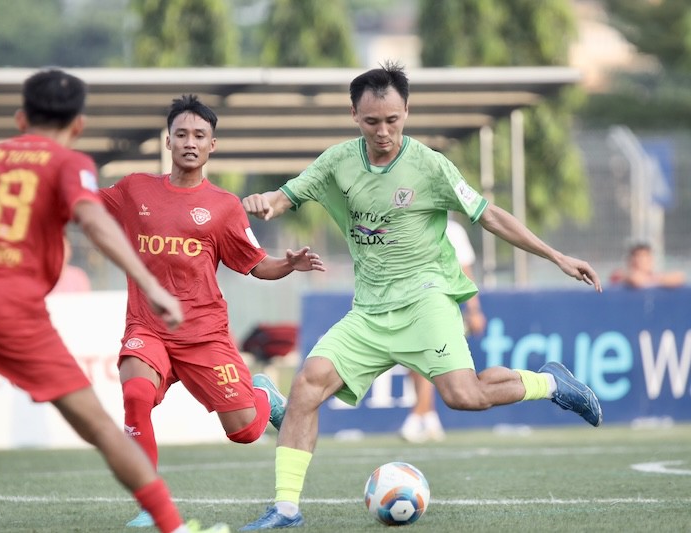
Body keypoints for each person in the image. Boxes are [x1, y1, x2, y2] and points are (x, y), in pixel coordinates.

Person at [238, 62, 603, 531]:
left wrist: (555, 255)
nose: (383, 131)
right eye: (372, 121)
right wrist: (264, 202)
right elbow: (285, 195)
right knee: (308, 384)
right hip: (369, 310)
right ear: (354, 115)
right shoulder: (337, 162)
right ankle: (286, 509)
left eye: (392, 120)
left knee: (465, 397)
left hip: (426, 299)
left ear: (407, 111)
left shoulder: (430, 166)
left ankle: (551, 384)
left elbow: (489, 215)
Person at [0, 69, 227, 533]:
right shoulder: (68, 163)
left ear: (20, 118)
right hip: (7, 309)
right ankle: (174, 527)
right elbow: (92, 218)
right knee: (101, 427)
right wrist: (151, 286)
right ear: (78, 125)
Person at [97, 94, 325, 528]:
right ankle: (149, 505)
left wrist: (288, 264)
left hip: (204, 335)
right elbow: (83, 206)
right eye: (181, 134)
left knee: (245, 432)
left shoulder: (223, 206)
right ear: (168, 141)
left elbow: (257, 264)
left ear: (212, 145)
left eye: (199, 135)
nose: (190, 142)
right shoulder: (133, 190)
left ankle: (263, 394)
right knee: (135, 394)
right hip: (147, 327)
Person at [399, 218, 486, 443]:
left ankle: (416, 417)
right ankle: (430, 418)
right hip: (409, 303)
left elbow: (465, 271)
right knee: (414, 363)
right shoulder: (406, 223)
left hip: (442, 307)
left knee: (429, 360)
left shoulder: (453, 230)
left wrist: (474, 309)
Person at [609, 242, 685, 289]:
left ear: (651, 260)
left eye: (643, 257)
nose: (639, 261)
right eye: (636, 256)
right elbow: (636, 280)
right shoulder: (620, 275)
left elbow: (679, 277)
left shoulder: (654, 276)